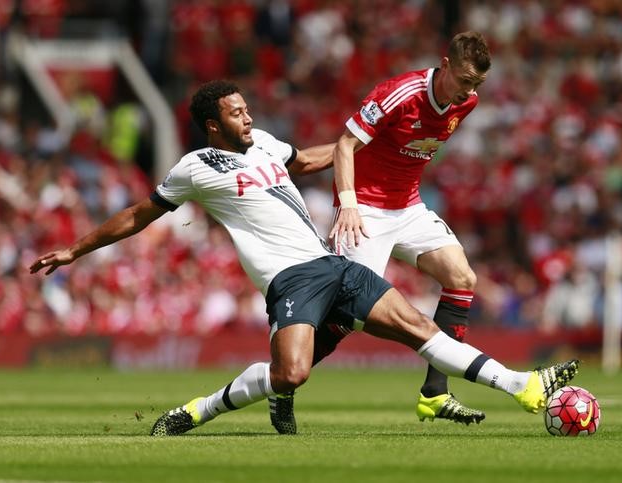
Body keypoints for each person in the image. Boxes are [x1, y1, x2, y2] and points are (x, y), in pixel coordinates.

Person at [29, 80, 579, 437]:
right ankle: (198, 410)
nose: (248, 117)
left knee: (417, 325)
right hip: (290, 279)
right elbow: (139, 214)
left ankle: (523, 386)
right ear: (214, 125)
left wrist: (366, 148)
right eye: (237, 113)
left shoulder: (267, 144)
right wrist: (76, 249)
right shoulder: (195, 167)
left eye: (247, 108)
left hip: (331, 263)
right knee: (290, 373)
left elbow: (314, 158)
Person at [269, 31, 494, 433]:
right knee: (348, 316)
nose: (468, 91)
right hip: (365, 210)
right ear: (445, 65)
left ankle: (435, 393)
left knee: (462, 278)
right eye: (463, 80)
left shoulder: (468, 102)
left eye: (476, 84)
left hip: (408, 207)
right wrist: (350, 204)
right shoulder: (399, 93)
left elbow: (407, 153)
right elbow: (343, 146)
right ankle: (281, 384)